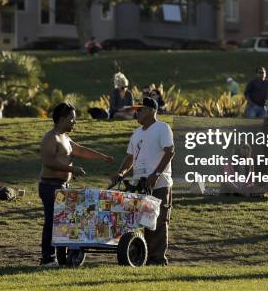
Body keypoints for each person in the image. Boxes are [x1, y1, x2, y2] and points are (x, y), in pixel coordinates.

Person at [38, 103, 114, 267]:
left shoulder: (65, 138)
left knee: (63, 222)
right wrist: (71, 169)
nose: (74, 122)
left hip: (62, 187)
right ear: (63, 118)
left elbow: (81, 150)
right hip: (50, 186)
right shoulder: (51, 138)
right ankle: (47, 258)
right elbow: (49, 162)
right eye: (72, 118)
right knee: (52, 222)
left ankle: (62, 257)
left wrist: (102, 157)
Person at [111, 97, 175, 266]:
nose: (136, 112)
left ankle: (158, 259)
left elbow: (170, 152)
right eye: (136, 110)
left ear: (151, 110)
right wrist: (121, 172)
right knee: (142, 220)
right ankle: (144, 255)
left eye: (140, 109)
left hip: (159, 183)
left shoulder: (162, 128)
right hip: (139, 183)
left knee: (158, 221)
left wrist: (156, 174)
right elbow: (130, 157)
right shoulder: (137, 133)